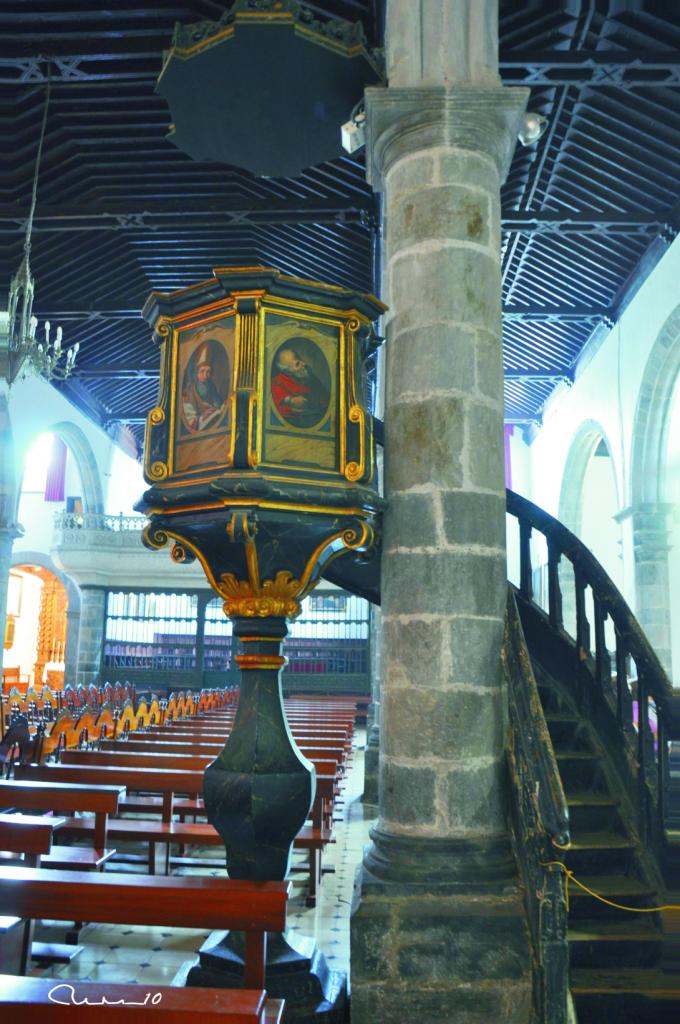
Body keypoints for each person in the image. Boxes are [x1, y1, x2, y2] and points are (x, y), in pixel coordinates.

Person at [271, 340, 330, 429]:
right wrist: (291, 401)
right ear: (287, 371)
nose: (304, 364)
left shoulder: (310, 377)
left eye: (300, 360)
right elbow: (276, 409)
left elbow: (325, 401)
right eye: (297, 364)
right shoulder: (277, 383)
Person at [182, 343, 228, 432]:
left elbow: (219, 404)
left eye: (208, 372)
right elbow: (189, 420)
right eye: (202, 371)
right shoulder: (189, 392)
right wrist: (202, 417)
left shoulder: (212, 388)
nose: (206, 375)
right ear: (196, 373)